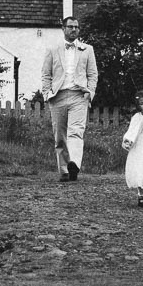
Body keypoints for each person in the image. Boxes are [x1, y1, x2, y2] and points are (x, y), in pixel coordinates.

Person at [39, 15, 97, 182]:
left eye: (76, 27)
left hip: (79, 96)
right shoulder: (53, 49)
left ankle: (74, 164)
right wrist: (47, 93)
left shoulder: (87, 49)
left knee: (76, 132)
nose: (74, 29)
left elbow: (93, 74)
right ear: (63, 29)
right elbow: (46, 74)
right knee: (60, 136)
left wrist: (90, 92)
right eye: (70, 27)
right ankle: (64, 171)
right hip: (58, 96)